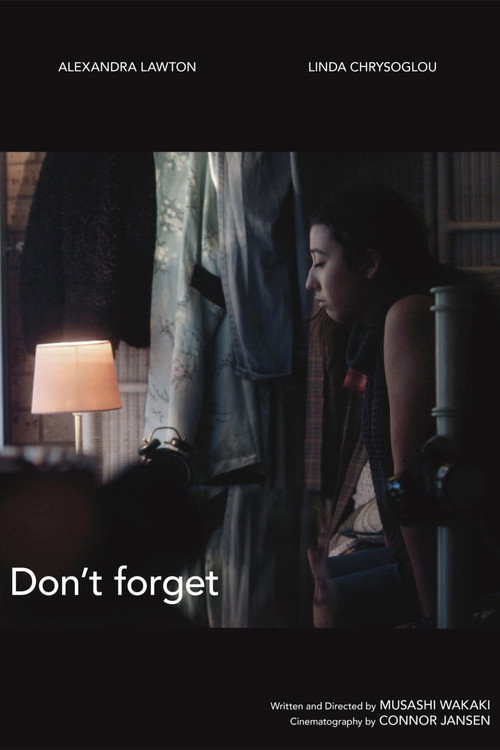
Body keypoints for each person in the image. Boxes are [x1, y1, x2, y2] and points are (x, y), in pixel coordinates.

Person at [305, 184, 500, 628]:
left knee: (320, 602)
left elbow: (409, 486)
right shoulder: (382, 323)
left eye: (320, 261)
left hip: (467, 554)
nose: (310, 281)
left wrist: (434, 612)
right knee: (311, 582)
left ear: (369, 262)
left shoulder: (410, 314)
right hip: (442, 544)